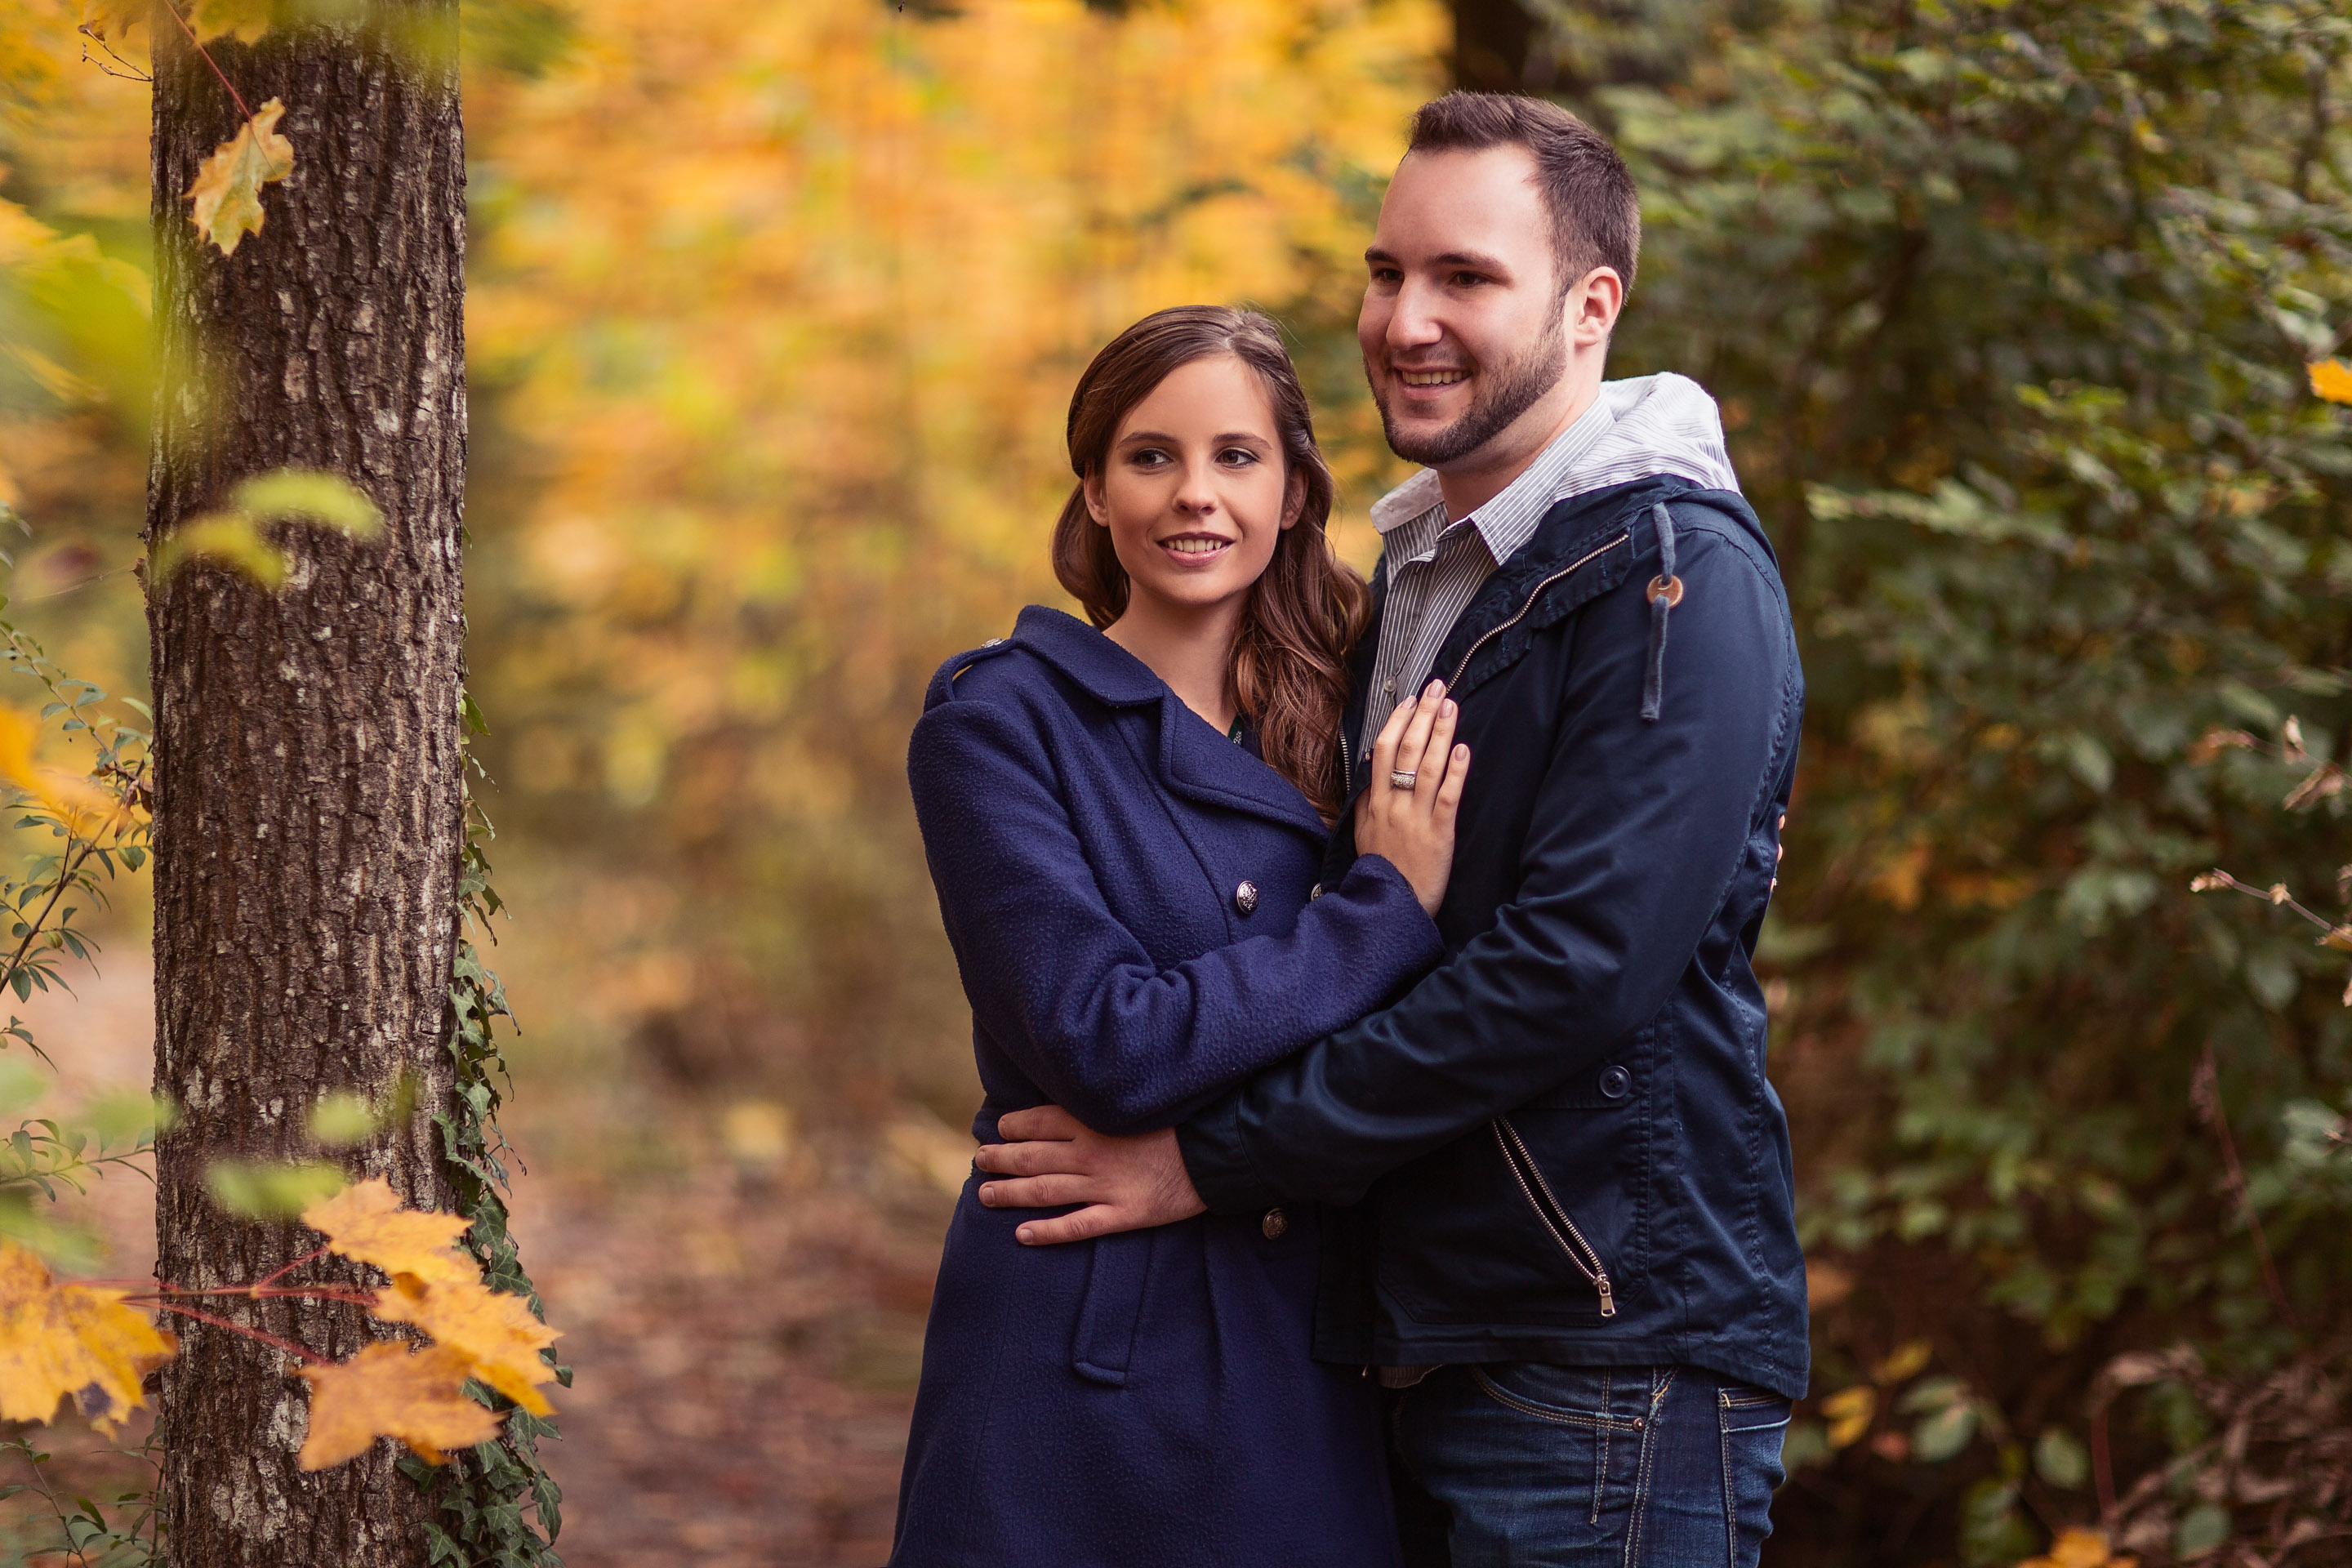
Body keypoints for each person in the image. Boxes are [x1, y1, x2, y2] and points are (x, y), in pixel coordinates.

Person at [973, 91, 1808, 1567]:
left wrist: (1209, 1161)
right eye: (1386, 272)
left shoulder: (1672, 573)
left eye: (1467, 279)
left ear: (1589, 304)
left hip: (1601, 1351)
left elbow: (1573, 972)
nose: (1406, 320)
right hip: (1409, 1342)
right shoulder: (1423, 571)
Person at [890, 305, 1476, 1566]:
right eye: (1151, 457)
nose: (1193, 496)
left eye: (1236, 458)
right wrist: (1378, 913)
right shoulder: (999, 724)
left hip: (1304, 1338)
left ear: (1293, 491)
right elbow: (1108, 1044)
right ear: (1094, 490)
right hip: (1083, 1353)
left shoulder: (1353, 722)